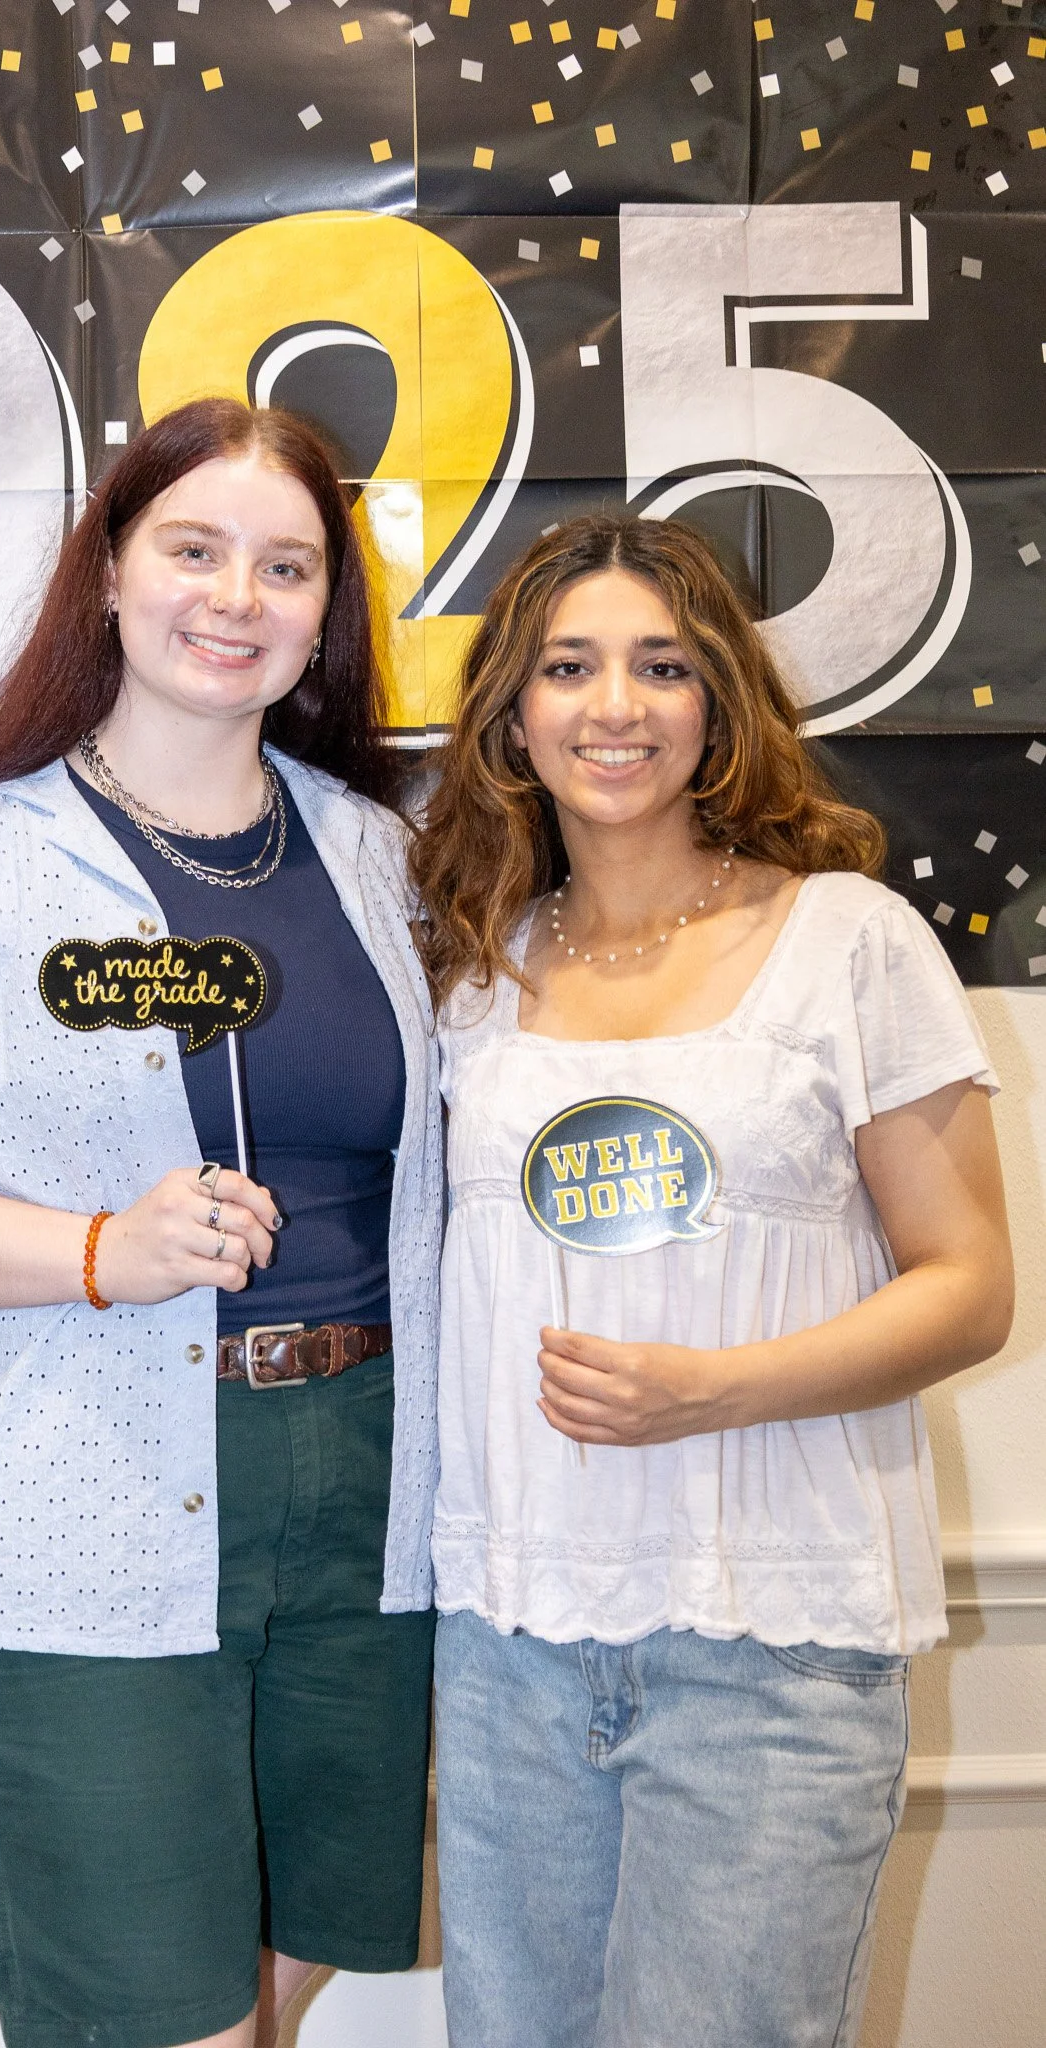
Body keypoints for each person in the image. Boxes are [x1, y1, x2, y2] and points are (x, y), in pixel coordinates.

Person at [0, 398, 443, 2048]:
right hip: (73, 1513)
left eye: (287, 566)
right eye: (193, 549)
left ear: (325, 612)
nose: (238, 596)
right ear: (112, 575)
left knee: (276, 1986)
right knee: (159, 2021)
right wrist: (94, 1254)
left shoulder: (376, 851)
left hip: (370, 1498)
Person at [409, 514, 1013, 2048]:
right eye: (569, 666)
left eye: (662, 667)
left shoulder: (848, 944)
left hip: (772, 1647)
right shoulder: (470, 967)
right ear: (512, 713)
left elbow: (969, 1286)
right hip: (512, 1647)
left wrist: (714, 1391)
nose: (615, 705)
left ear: (720, 703)